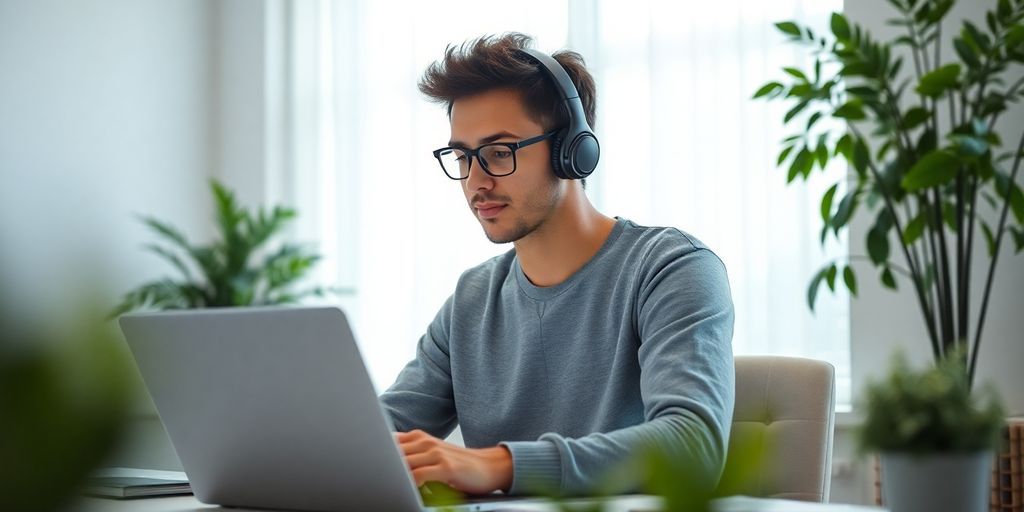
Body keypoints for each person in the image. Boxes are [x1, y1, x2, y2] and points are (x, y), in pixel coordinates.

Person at [379, 32, 735, 498]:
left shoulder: (671, 269)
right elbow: (376, 433)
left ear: (572, 149)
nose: (475, 181)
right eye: (462, 156)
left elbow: (693, 447)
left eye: (499, 152)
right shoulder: (472, 299)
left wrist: (500, 465)